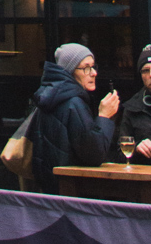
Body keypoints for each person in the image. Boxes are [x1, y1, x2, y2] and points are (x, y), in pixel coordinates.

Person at [32, 42, 119, 191]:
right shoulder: (73, 102)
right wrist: (104, 117)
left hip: (51, 188)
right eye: (86, 68)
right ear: (70, 71)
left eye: (93, 66)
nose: (93, 73)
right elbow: (94, 154)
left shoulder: (51, 97)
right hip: (74, 190)